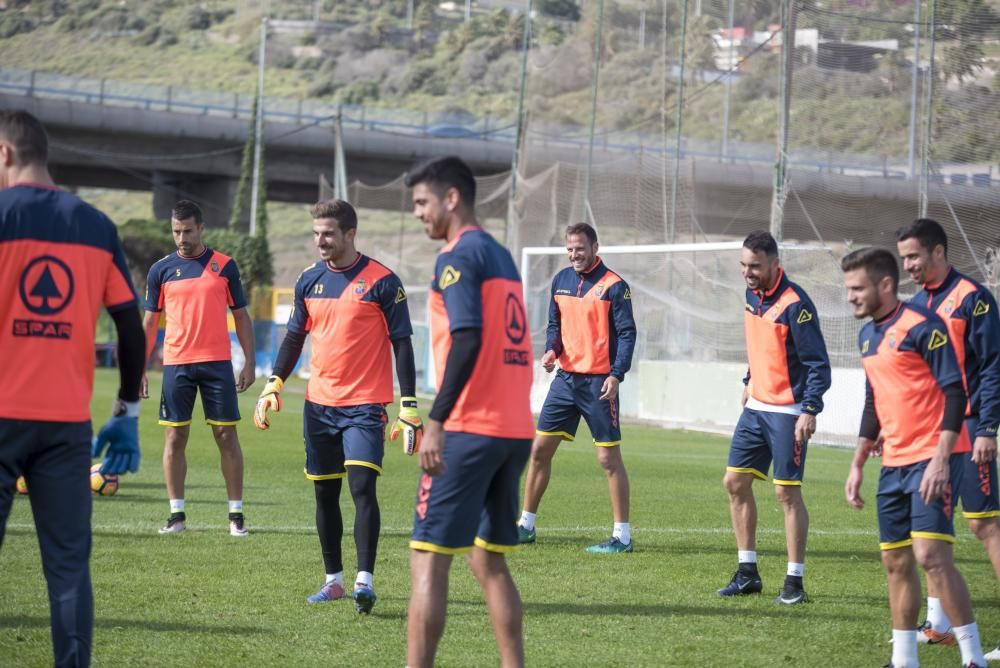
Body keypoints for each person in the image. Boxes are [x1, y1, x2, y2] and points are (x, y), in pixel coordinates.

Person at [0, 110, 145, 667]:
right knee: (67, 568)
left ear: (6, 155)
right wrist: (127, 411)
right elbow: (130, 328)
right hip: (65, 426)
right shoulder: (95, 225)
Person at [253, 198, 419, 614]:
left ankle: (365, 580)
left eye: (328, 233)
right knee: (325, 494)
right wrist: (274, 381)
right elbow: (294, 337)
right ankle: (334, 581)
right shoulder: (309, 280)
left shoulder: (383, 281)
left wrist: (409, 403)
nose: (320, 241)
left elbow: (403, 344)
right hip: (319, 406)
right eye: (316, 234)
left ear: (350, 234)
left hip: (364, 405)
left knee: (363, 487)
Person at [404, 156, 533, 668]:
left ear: (451, 198)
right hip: (514, 430)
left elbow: (467, 336)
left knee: (428, 558)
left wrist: (437, 421)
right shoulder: (502, 255)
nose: (417, 213)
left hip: (468, 428)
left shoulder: (456, 257)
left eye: (422, 202)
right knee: (487, 559)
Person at [843, 246, 987, 668]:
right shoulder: (867, 335)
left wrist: (943, 458)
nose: (850, 296)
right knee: (895, 560)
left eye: (858, 288)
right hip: (893, 464)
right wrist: (858, 461)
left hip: (933, 458)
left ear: (886, 285)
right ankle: (904, 660)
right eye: (848, 288)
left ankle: (973, 658)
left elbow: (955, 391)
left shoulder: (924, 327)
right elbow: (874, 400)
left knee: (931, 557)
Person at [896, 218, 1000, 655]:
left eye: (914, 257)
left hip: (970, 429)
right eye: (904, 260)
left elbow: (993, 365)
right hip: (928, 435)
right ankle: (937, 623)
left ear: (939, 252)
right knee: (933, 532)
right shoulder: (917, 305)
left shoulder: (972, 299)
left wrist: (987, 427)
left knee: (985, 525)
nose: (909, 267)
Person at [718, 230, 831, 605]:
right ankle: (747, 573)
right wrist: (750, 379)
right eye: (744, 265)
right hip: (756, 407)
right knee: (735, 483)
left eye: (755, 266)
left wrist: (810, 409)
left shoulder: (796, 304)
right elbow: (761, 344)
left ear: (774, 264)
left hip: (788, 411)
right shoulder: (752, 294)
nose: (748, 273)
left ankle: (794, 581)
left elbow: (817, 363)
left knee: (786, 493)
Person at [516, 222, 637, 553]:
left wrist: (616, 374)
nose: (574, 255)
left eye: (580, 249)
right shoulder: (561, 281)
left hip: (599, 383)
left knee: (607, 459)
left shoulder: (615, 286)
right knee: (540, 450)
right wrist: (552, 349)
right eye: (569, 249)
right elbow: (556, 325)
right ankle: (525, 525)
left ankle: (622, 536)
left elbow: (627, 333)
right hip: (566, 380)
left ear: (595, 248)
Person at [142, 200, 256, 536]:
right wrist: (139, 366)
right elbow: (149, 321)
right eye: (176, 231)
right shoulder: (159, 270)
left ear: (201, 227)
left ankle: (236, 517)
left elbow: (241, 316)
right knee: (175, 436)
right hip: (176, 364)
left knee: (226, 435)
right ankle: (177, 515)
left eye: (188, 230)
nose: (182, 237)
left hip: (217, 363)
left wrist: (249, 362)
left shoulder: (225, 266)